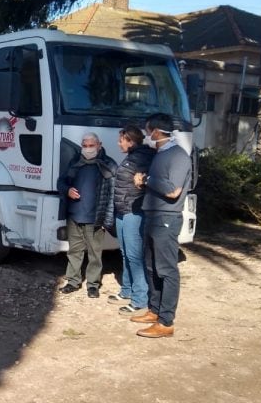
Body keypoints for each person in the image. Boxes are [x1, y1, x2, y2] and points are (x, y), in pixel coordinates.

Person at [131, 113, 192, 338]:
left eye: (148, 131)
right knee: (151, 265)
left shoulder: (178, 155)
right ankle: (154, 311)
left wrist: (146, 180)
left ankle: (166, 322)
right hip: (153, 215)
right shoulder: (161, 153)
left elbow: (173, 190)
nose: (147, 135)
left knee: (167, 269)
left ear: (156, 131)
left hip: (166, 218)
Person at [57, 132, 117, 298]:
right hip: (74, 215)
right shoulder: (75, 161)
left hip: (95, 218)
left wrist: (108, 218)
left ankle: (93, 285)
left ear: (99, 145)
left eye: (91, 145)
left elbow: (113, 194)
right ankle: (73, 281)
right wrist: (67, 190)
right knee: (74, 251)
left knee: (94, 254)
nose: (88, 149)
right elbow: (61, 182)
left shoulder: (108, 165)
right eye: (85, 145)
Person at [109, 125, 156, 315]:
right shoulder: (132, 156)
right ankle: (126, 290)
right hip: (122, 211)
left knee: (135, 256)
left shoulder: (143, 157)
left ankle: (140, 299)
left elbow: (145, 182)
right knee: (125, 253)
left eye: (121, 139)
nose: (118, 143)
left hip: (133, 212)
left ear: (130, 140)